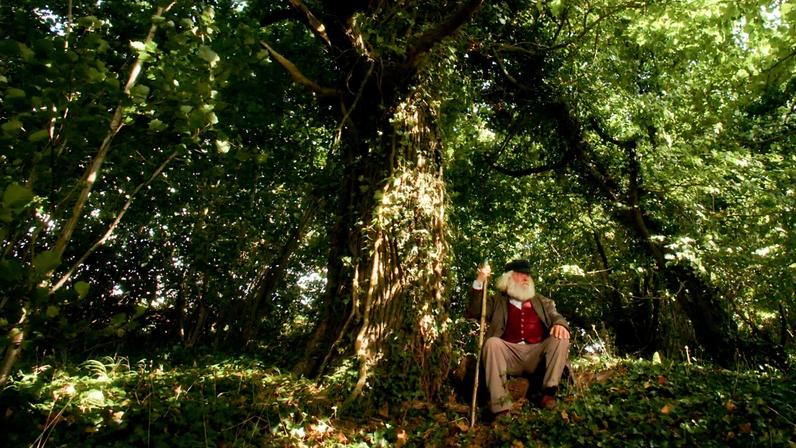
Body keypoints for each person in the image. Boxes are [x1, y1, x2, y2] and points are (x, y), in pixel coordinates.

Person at [468, 259, 570, 417]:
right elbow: (475, 311)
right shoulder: (497, 301)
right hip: (509, 355)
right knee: (492, 343)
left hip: (537, 355)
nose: (526, 278)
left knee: (560, 337)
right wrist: (480, 280)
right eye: (521, 274)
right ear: (508, 278)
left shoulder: (541, 301)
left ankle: (548, 393)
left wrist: (560, 325)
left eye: (528, 274)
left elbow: (556, 317)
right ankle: (500, 407)